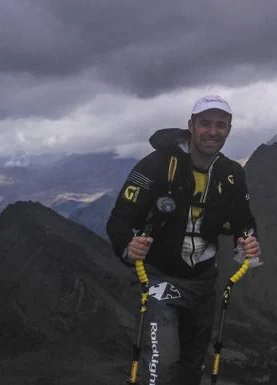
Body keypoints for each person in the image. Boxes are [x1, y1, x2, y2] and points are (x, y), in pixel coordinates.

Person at [107, 95, 261, 385]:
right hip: (158, 279)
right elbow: (120, 219)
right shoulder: (155, 166)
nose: (213, 132)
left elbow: (244, 221)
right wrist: (127, 247)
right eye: (205, 123)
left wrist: (248, 241)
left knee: (191, 369)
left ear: (229, 129)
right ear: (190, 126)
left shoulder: (231, 174)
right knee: (160, 367)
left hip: (203, 284)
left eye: (220, 125)